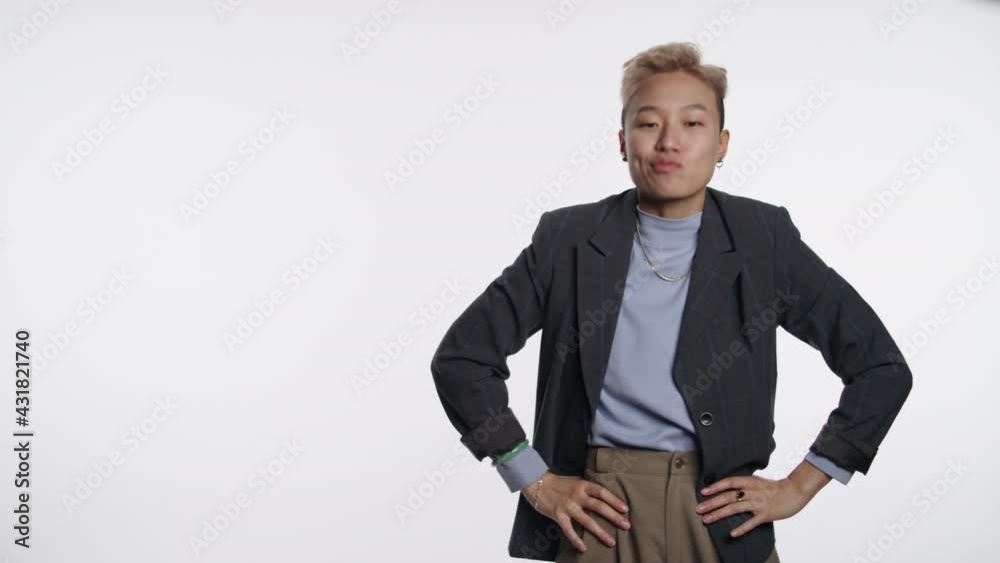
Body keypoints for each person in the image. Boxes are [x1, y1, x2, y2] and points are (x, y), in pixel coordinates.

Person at [430, 41, 912, 563]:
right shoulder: (568, 239)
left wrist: (800, 485)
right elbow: (463, 360)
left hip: (720, 519)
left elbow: (880, 368)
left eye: (692, 123)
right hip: (598, 518)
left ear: (722, 143)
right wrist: (532, 476)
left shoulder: (762, 238)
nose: (669, 141)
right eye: (648, 123)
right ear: (623, 142)